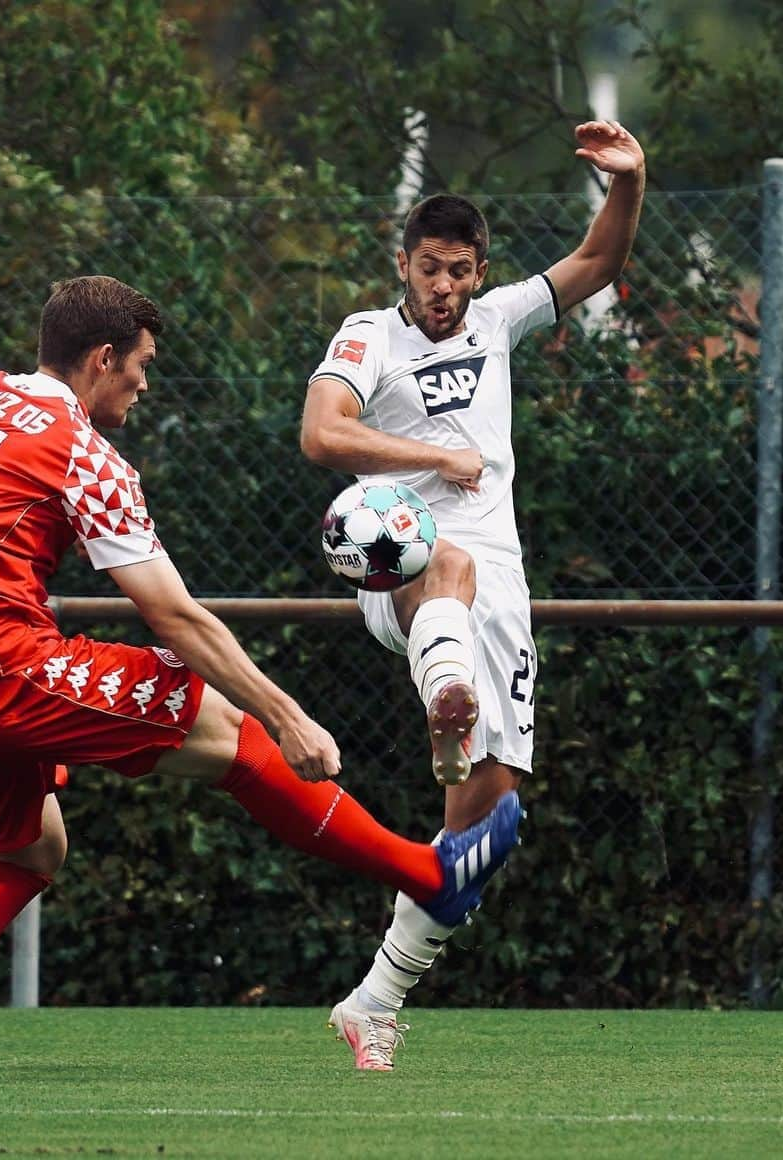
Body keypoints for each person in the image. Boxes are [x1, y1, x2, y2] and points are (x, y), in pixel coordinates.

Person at [0, 274, 523, 1078]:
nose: (145, 381)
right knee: (228, 727)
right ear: (102, 359)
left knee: (33, 853)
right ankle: (430, 874)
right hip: (2, 669)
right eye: (140, 364)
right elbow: (175, 616)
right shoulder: (86, 457)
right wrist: (286, 715)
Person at [301, 121, 646, 1069]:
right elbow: (323, 434)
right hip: (398, 560)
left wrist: (631, 180)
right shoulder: (368, 335)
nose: (443, 288)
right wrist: (433, 456)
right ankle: (443, 696)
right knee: (444, 562)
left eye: (459, 271)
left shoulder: (498, 318)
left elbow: (600, 259)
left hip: (501, 588)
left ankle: (373, 1000)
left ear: (478, 268)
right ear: (402, 263)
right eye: (428, 269)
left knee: (486, 828)